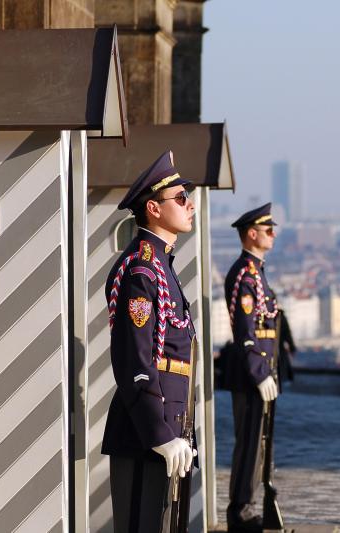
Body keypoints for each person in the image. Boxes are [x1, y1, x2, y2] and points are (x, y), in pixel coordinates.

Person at [101, 150, 197, 532]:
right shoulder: (142, 270)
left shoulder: (161, 266)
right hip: (147, 429)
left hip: (170, 421)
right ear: (153, 209)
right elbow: (136, 360)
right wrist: (159, 433)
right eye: (179, 198)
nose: (189, 205)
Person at [223, 203, 280, 532]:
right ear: (252, 234)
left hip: (260, 371)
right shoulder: (245, 274)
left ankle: (248, 503)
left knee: (259, 443)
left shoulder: (256, 272)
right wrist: (259, 373)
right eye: (268, 229)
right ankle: (241, 510)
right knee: (249, 442)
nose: (273, 234)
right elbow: (245, 331)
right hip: (249, 374)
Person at [276, 307, 297, 390]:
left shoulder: (279, 316)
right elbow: (287, 333)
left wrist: (292, 347)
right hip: (278, 349)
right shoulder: (280, 316)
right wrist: (292, 348)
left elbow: (287, 333)